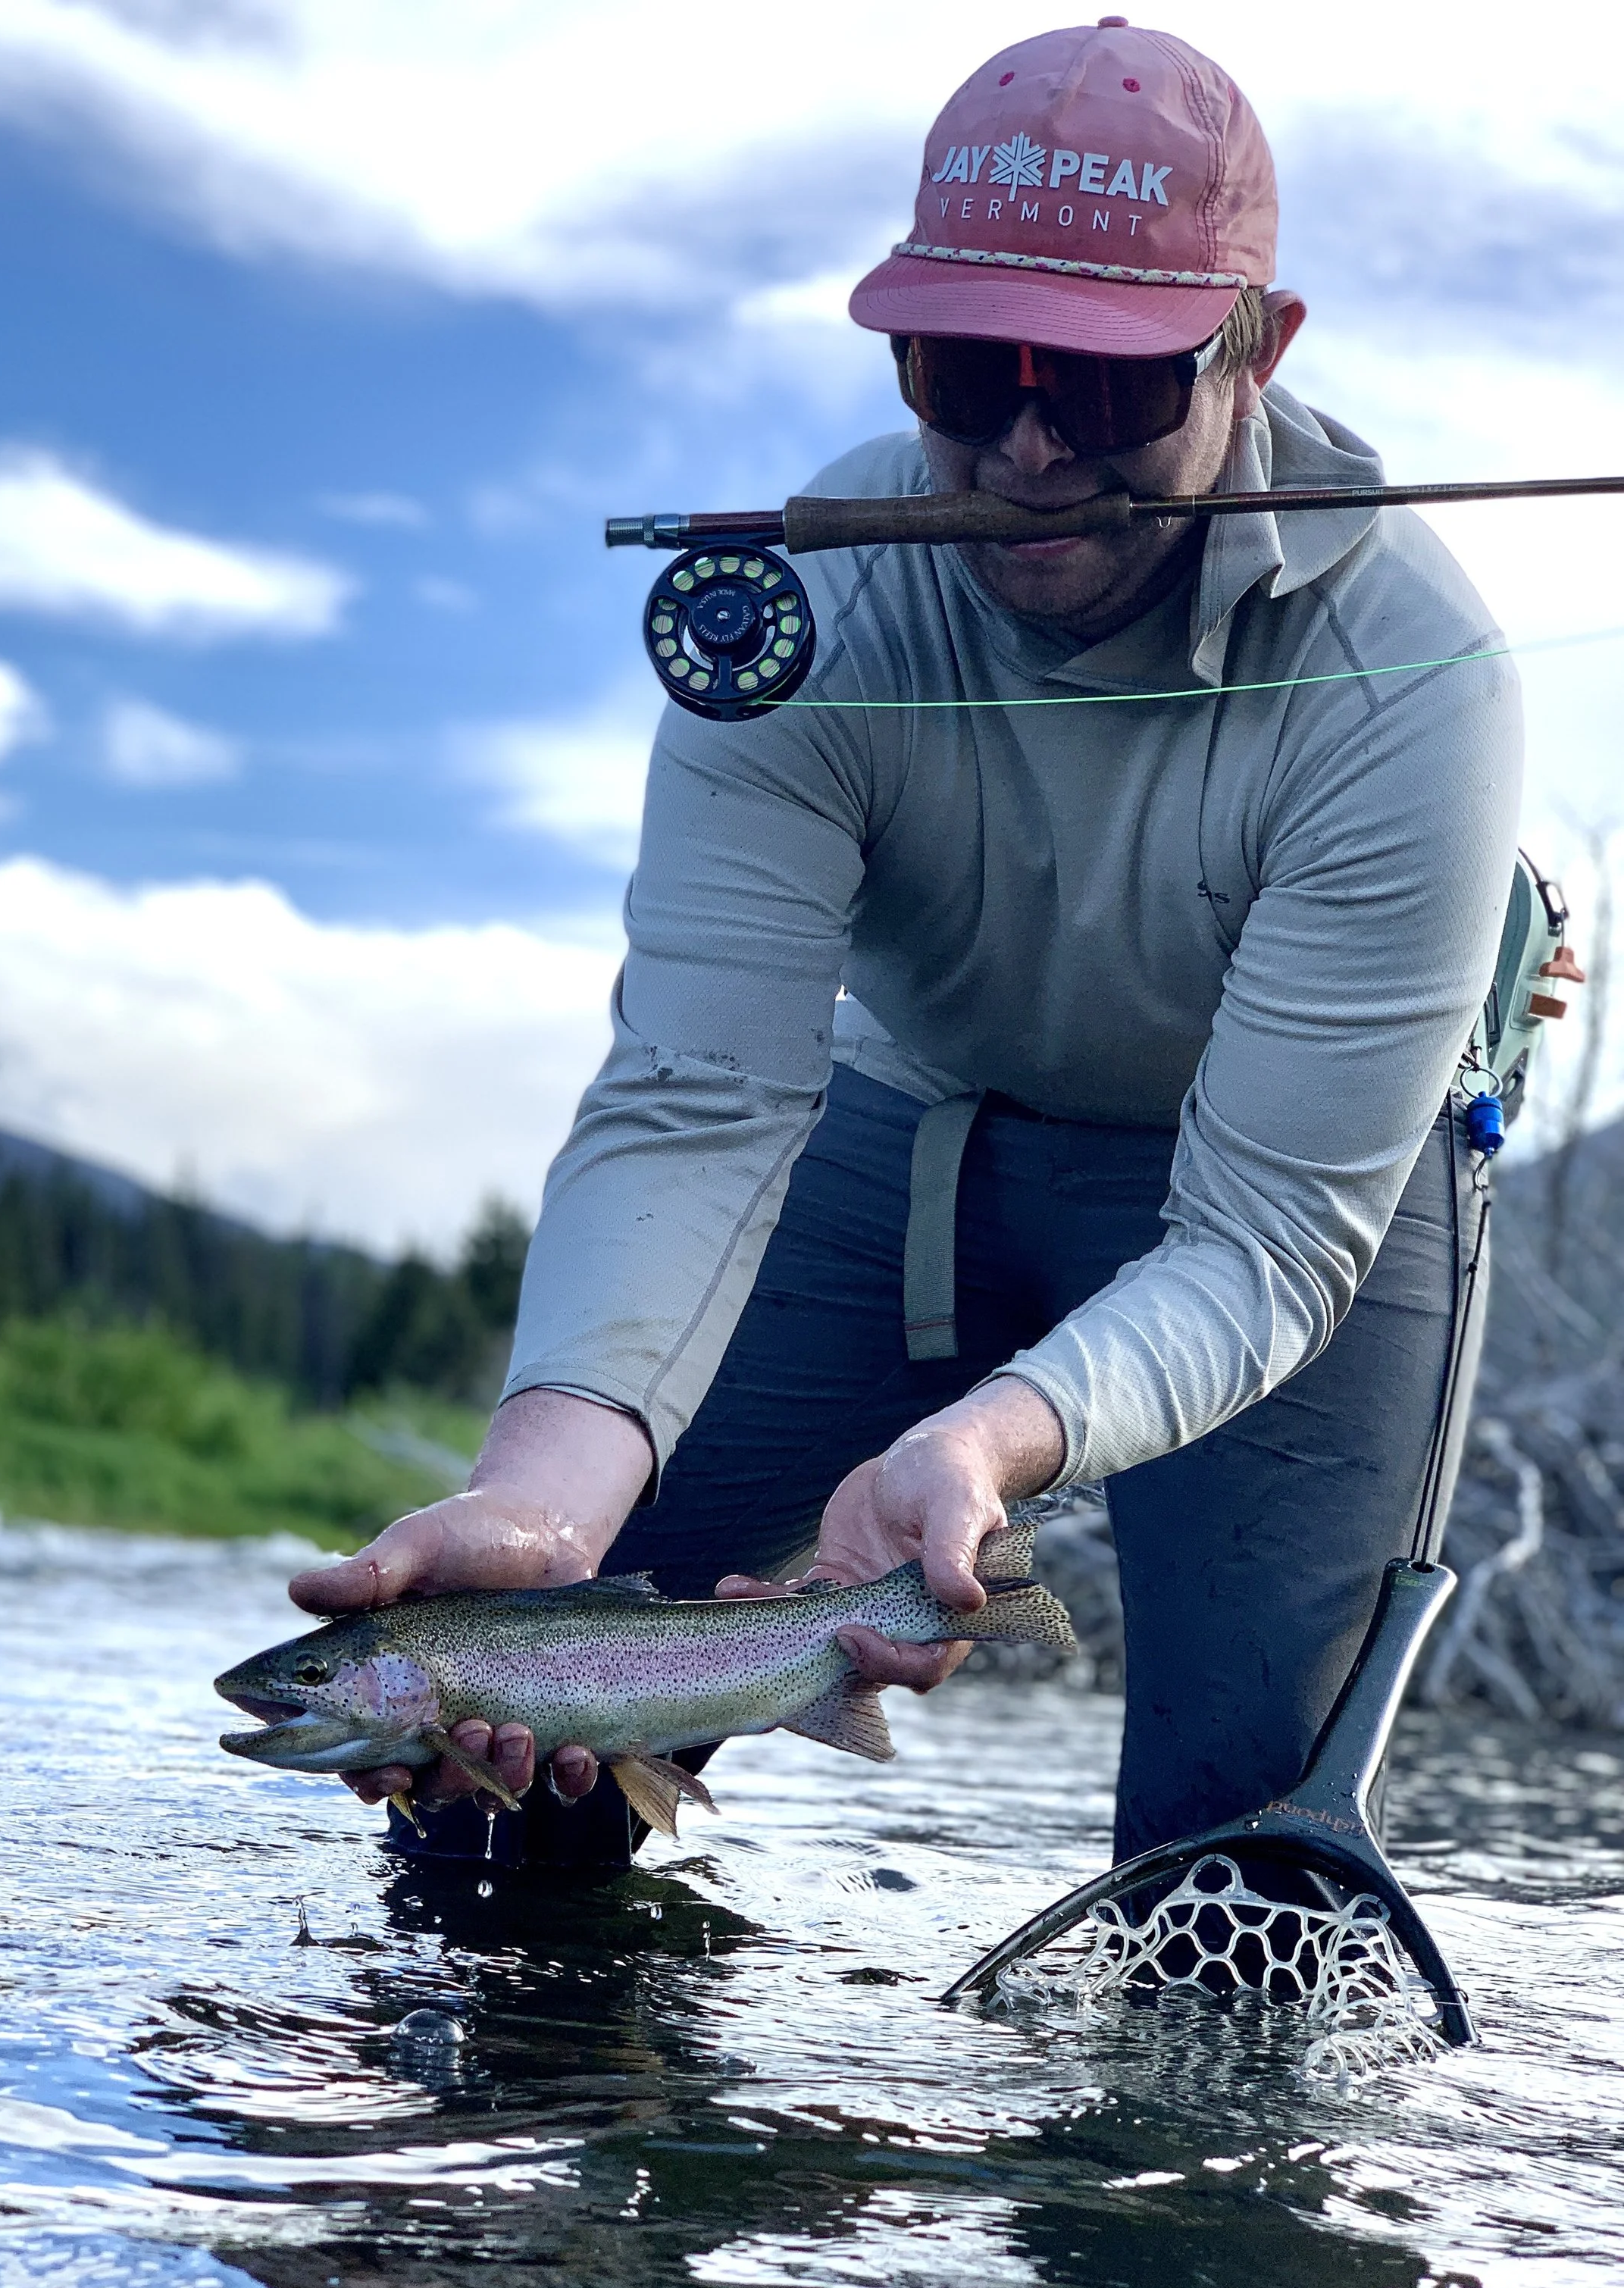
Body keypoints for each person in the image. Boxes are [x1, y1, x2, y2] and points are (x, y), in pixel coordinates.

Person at [293, 17, 1521, 1869]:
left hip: (1283, 1208)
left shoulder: (1411, 678)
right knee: (495, 1785)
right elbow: (699, 1099)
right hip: (898, 1138)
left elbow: (1266, 1244)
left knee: (1244, 1872)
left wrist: (992, 1441)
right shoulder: (790, 614)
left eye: (1105, 391)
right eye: (967, 368)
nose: (1026, 449)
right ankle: (575, 2132)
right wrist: (537, 1512)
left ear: (1254, 351)